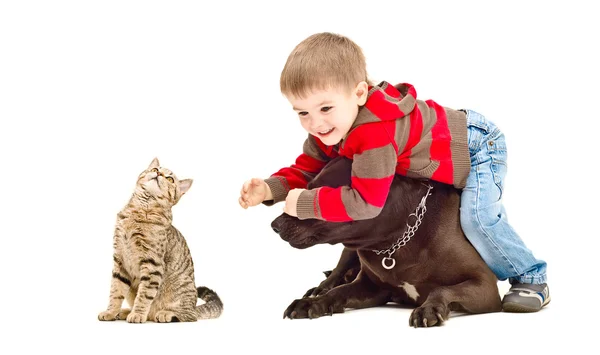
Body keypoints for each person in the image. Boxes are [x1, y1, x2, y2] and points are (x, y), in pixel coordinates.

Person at [238, 32, 549, 312]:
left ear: (359, 94)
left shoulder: (375, 134)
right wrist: (270, 189)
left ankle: (532, 277)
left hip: (476, 146)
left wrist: (303, 203)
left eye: (325, 108)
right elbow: (307, 168)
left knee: (477, 218)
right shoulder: (331, 129)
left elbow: (365, 202)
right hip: (434, 157)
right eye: (302, 112)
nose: (315, 123)